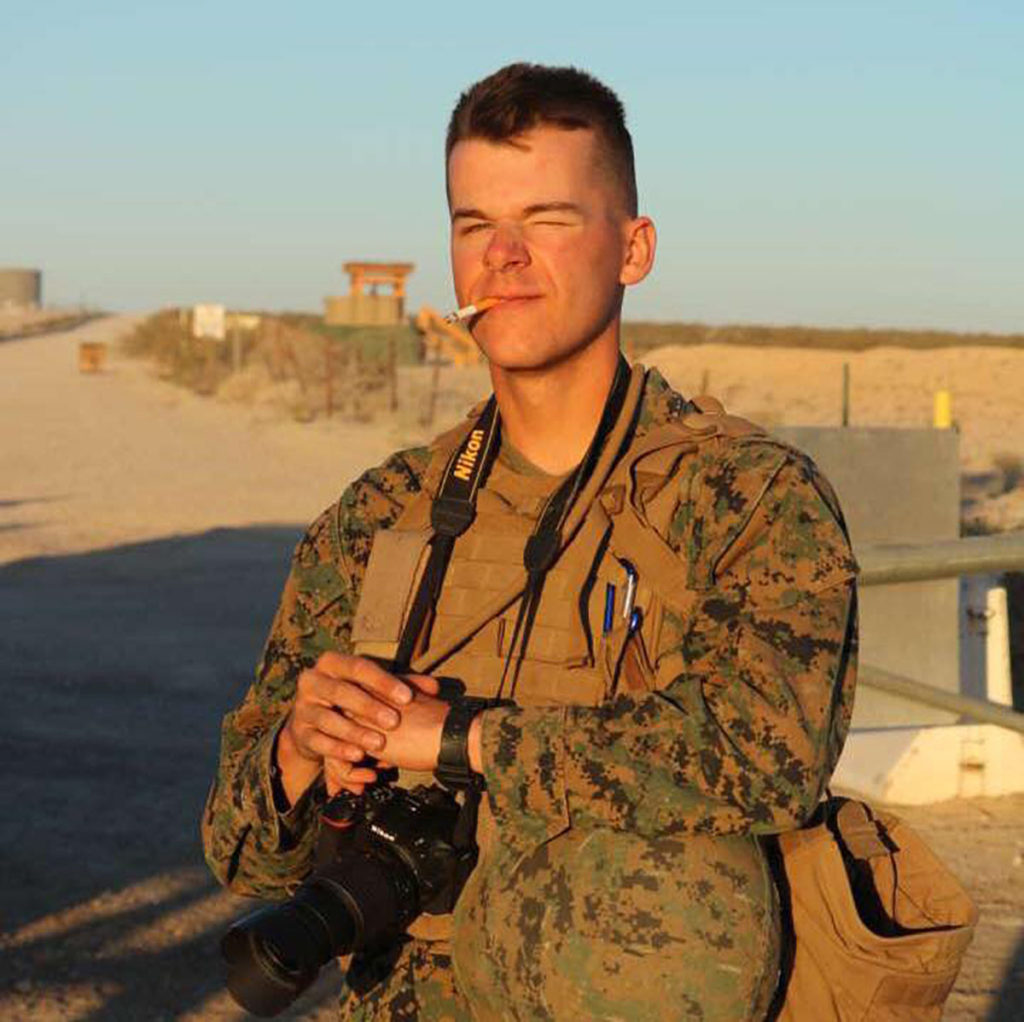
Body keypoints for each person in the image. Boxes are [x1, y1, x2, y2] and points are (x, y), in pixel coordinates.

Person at [202, 63, 858, 1021]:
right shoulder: (383, 513)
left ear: (633, 249)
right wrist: (304, 752)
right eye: (474, 226)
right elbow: (242, 852)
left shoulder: (746, 497)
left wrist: (463, 740)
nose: (501, 258)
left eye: (547, 220)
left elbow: (770, 757)